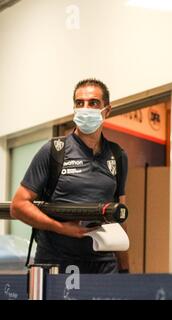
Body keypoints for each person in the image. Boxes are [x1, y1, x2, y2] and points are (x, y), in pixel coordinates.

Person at [11, 79, 129, 274]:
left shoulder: (117, 155)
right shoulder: (54, 151)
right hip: (56, 263)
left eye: (93, 103)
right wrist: (60, 227)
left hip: (103, 265)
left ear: (106, 111)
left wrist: (125, 268)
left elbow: (121, 216)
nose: (85, 108)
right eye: (79, 103)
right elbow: (18, 205)